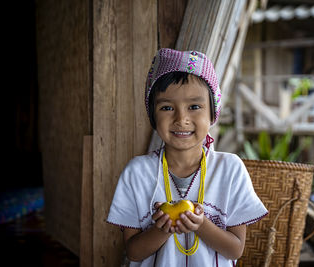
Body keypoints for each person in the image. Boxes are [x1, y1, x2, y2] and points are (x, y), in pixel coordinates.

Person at [107, 48, 268, 266]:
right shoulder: (137, 173)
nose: (181, 118)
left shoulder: (230, 169)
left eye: (194, 106)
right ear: (153, 116)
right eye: (166, 107)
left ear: (213, 113)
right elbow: (133, 252)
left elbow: (235, 249)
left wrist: (201, 224)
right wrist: (161, 230)